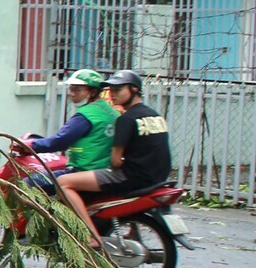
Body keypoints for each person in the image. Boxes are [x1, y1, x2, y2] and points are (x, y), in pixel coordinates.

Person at [55, 69, 172, 248]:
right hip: (158, 177)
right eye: (111, 90)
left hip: (131, 178)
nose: (112, 94)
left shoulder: (126, 119)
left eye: (118, 90)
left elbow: (115, 161)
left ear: (133, 90)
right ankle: (133, 230)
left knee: (63, 182)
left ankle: (90, 235)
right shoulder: (155, 115)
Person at [22, 69, 117, 189]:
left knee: (28, 184)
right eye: (71, 89)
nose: (72, 93)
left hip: (84, 171)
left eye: (77, 89)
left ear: (93, 91)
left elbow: (60, 141)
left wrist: (30, 145)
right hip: (104, 172)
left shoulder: (86, 115)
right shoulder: (111, 112)